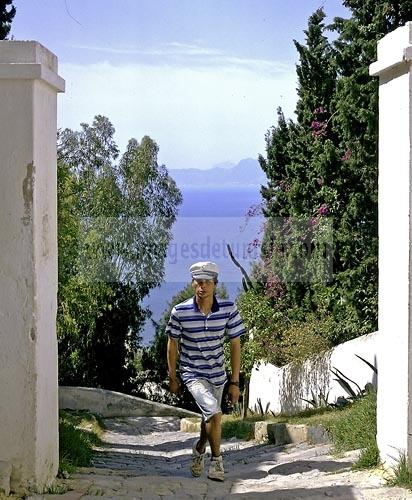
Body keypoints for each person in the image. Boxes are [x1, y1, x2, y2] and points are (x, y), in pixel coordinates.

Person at [166, 261, 246, 482]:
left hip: (218, 375)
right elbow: (172, 343)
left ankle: (199, 447)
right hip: (192, 373)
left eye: (207, 282)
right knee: (215, 413)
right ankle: (217, 463)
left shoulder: (228, 309)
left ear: (214, 284)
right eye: (198, 282)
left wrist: (234, 382)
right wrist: (173, 376)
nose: (202, 287)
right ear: (193, 284)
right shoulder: (180, 312)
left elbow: (235, 344)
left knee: (209, 417)